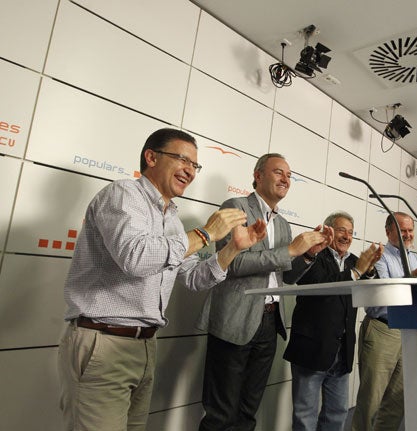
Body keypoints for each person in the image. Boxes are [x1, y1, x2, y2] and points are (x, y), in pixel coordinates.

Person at [58, 128, 267, 431]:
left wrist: (232, 249)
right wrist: (206, 233)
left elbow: (195, 277)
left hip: (143, 346)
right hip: (103, 344)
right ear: (151, 157)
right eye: (183, 159)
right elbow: (136, 257)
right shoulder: (123, 194)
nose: (190, 171)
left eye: (195, 165)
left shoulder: (171, 217)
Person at [199, 153, 333, 431]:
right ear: (258, 175)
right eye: (278, 172)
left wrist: (307, 255)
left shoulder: (283, 224)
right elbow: (232, 263)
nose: (285, 179)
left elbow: (287, 276)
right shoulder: (235, 207)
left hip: (270, 323)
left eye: (289, 175)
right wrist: (290, 250)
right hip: (234, 321)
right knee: (221, 414)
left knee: (248, 411)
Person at [283, 211, 383, 431]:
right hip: (311, 349)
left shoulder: (355, 261)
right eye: (341, 230)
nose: (347, 236)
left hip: (342, 351)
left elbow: (371, 290)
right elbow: (324, 286)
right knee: (304, 416)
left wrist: (371, 267)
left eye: (350, 232)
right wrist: (357, 271)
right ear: (329, 231)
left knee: (336, 415)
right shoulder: (313, 255)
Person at [351, 211, 417, 431]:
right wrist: (415, 274)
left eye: (411, 230)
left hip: (409, 332)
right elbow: (385, 292)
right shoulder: (380, 257)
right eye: (403, 230)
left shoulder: (416, 258)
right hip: (384, 329)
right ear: (388, 231)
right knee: (370, 401)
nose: (408, 234)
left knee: (396, 402)